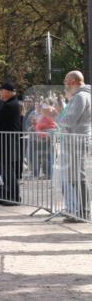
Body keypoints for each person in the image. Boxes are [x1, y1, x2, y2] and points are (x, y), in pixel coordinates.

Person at [57, 70, 91, 221]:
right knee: (75, 176)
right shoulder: (82, 96)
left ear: (73, 81)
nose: (65, 84)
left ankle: (83, 211)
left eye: (66, 81)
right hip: (77, 139)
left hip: (76, 140)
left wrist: (59, 118)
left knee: (77, 177)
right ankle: (81, 209)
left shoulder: (80, 97)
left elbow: (70, 120)